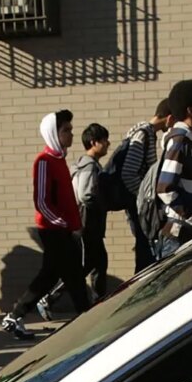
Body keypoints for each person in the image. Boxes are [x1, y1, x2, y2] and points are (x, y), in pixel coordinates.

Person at [0, 110, 86, 341]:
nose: (71, 134)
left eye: (70, 129)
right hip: (54, 232)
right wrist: (64, 224)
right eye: (66, 130)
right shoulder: (44, 161)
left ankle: (14, 317)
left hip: (64, 231)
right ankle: (87, 321)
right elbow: (41, 201)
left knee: (51, 276)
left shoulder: (59, 160)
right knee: (73, 277)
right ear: (53, 133)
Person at [155, 79, 192, 260]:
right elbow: (164, 188)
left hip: (188, 233)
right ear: (191, 110)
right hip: (179, 235)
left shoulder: (191, 140)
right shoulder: (180, 140)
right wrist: (188, 215)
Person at [120, 100, 173, 273]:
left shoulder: (147, 133)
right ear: (169, 118)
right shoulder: (143, 134)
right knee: (145, 254)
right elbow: (128, 173)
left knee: (146, 252)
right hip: (140, 205)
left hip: (141, 203)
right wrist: (145, 197)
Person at [70, 123, 111, 302]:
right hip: (87, 223)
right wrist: (103, 204)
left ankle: (98, 300)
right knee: (89, 264)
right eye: (104, 140)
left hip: (88, 223)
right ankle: (49, 298)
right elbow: (85, 194)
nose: (108, 143)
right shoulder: (89, 166)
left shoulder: (86, 164)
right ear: (94, 142)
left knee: (99, 263)